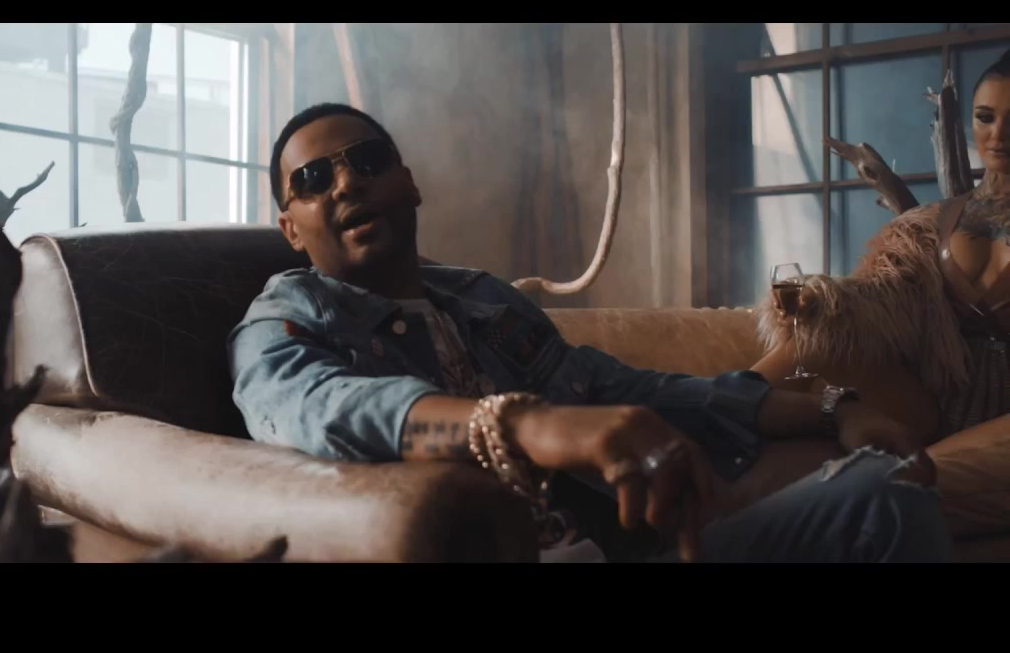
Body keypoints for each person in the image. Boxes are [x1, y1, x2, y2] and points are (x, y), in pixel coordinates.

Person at [227, 101, 954, 563]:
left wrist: (830, 407)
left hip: (620, 545)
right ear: (291, 227)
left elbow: (620, 387)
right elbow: (327, 410)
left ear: (409, 184)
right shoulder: (282, 322)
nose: (345, 183)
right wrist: (530, 426)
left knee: (883, 494)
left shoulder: (479, 298)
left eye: (366, 161)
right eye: (313, 179)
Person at [752, 48, 1010, 547]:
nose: (998, 135)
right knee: (818, 338)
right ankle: (713, 412)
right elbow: (882, 299)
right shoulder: (935, 222)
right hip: (935, 402)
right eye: (985, 117)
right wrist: (824, 300)